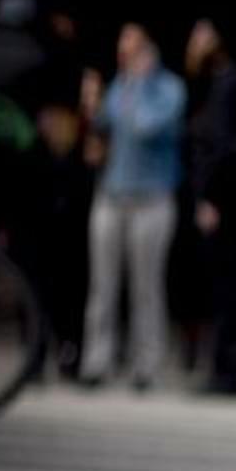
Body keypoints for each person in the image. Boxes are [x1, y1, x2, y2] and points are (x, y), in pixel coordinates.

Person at [78, 22, 186, 391]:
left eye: (133, 45)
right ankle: (97, 360)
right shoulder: (118, 86)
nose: (126, 53)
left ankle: (147, 365)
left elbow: (145, 126)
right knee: (103, 285)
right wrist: (92, 105)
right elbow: (102, 129)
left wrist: (139, 83)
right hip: (112, 194)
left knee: (146, 286)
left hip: (152, 200)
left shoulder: (169, 89)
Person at [182, 16, 236, 394]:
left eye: (202, 34)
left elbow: (224, 148)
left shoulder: (228, 86)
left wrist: (210, 197)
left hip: (229, 204)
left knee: (229, 288)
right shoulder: (222, 85)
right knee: (230, 288)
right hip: (234, 201)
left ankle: (228, 370)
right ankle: (229, 368)